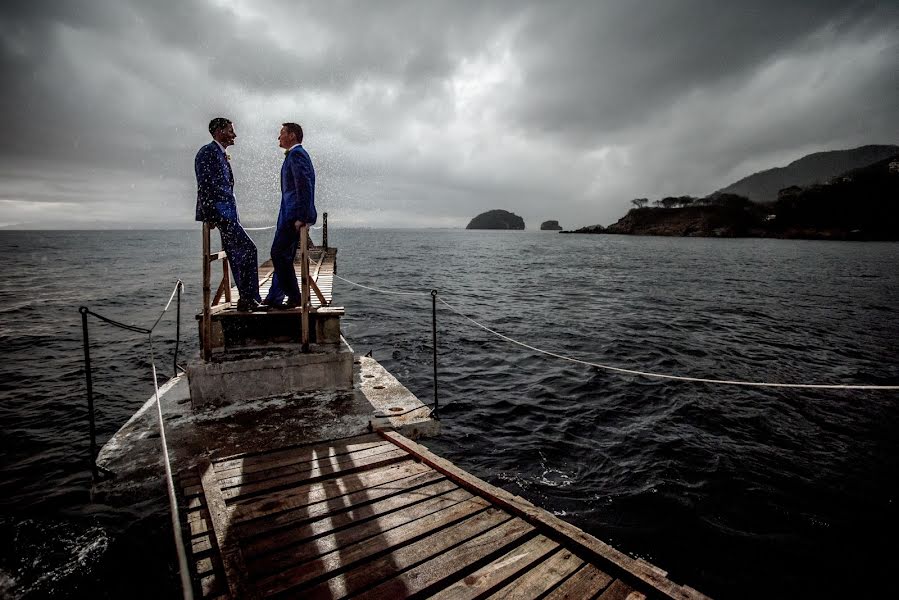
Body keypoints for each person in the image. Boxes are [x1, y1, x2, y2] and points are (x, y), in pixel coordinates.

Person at [194, 117, 265, 312]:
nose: (234, 135)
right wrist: (211, 216)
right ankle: (249, 298)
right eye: (230, 130)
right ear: (219, 131)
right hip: (221, 214)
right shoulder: (207, 152)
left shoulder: (220, 153)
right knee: (249, 250)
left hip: (228, 213)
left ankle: (247, 299)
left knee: (237, 254)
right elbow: (205, 185)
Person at [264, 122, 317, 309]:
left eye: (281, 133)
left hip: (293, 217)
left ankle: (294, 296)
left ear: (292, 135)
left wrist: (302, 217)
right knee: (283, 256)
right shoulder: (295, 155)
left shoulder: (297, 155)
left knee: (277, 253)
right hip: (290, 215)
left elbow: (304, 186)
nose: (279, 138)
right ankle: (276, 297)